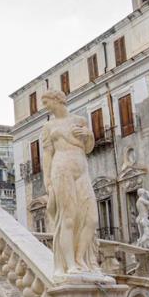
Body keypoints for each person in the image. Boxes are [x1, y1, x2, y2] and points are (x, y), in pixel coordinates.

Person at [41, 90, 101, 280]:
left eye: (46, 101)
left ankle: (80, 257)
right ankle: (70, 264)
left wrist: (88, 134)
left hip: (81, 168)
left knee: (91, 218)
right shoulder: (48, 127)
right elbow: (47, 156)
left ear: (57, 100)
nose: (45, 106)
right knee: (68, 218)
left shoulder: (79, 120)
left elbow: (88, 148)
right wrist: (48, 183)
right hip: (61, 169)